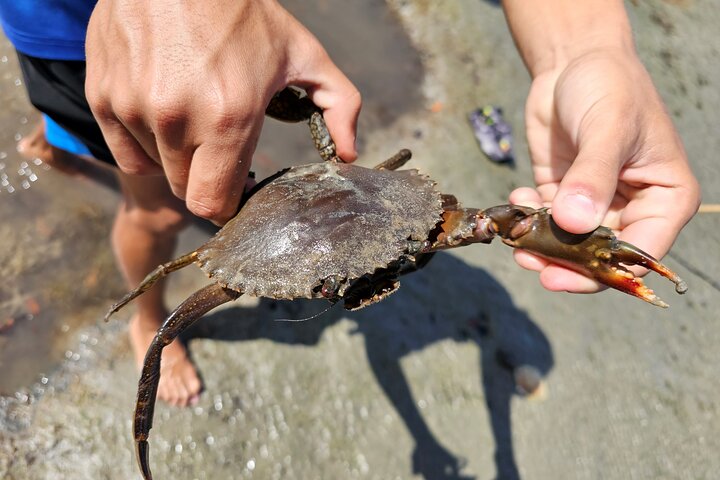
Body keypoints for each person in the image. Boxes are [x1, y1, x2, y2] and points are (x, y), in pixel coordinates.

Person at [0, 0, 699, 407]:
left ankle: (60, 142)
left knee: (215, 148)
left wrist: (585, 50)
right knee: (154, 208)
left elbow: (499, 220)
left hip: (233, 28)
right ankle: (145, 317)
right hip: (75, 22)